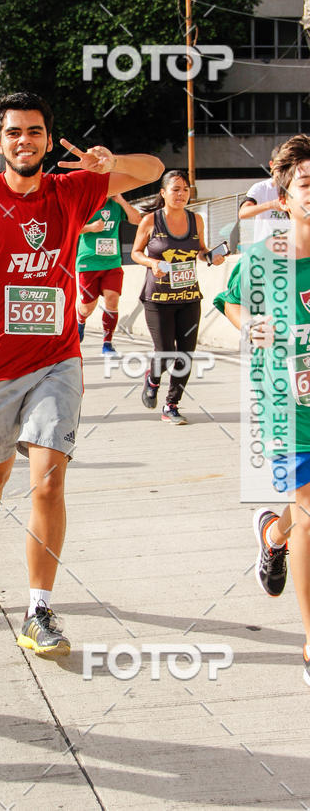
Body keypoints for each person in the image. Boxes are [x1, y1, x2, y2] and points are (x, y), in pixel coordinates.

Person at [0, 91, 163, 655]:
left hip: (57, 359)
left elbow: (153, 171)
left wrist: (113, 166)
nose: (23, 141)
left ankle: (39, 609)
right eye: (13, 132)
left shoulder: (73, 189)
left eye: (34, 131)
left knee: (50, 480)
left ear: (49, 141)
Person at [215, 134, 310, 686]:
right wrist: (248, 325)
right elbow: (228, 300)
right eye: (306, 183)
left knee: (300, 519)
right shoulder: (263, 257)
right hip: (285, 403)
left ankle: (273, 536)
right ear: (285, 193)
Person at [132, 170, 225, 425]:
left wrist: (211, 257)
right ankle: (152, 379)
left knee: (185, 354)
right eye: (175, 189)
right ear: (163, 193)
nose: (181, 194)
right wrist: (152, 262)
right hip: (158, 299)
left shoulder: (196, 220)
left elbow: (200, 251)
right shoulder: (151, 221)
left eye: (185, 189)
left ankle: (171, 405)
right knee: (165, 352)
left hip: (189, 296)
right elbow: (136, 253)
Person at [76, 192, 141, 354]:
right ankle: (80, 320)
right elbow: (70, 227)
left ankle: (107, 342)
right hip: (88, 262)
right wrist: (91, 228)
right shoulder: (85, 202)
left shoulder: (116, 205)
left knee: (112, 300)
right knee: (87, 306)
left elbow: (137, 219)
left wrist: (121, 200)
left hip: (112, 262)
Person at [238, 145, 290, 244]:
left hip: (291, 248)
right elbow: (243, 213)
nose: (283, 171)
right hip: (265, 249)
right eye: (280, 166)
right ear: (271, 165)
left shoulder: (296, 188)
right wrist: (271, 205)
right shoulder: (260, 188)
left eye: (286, 166)